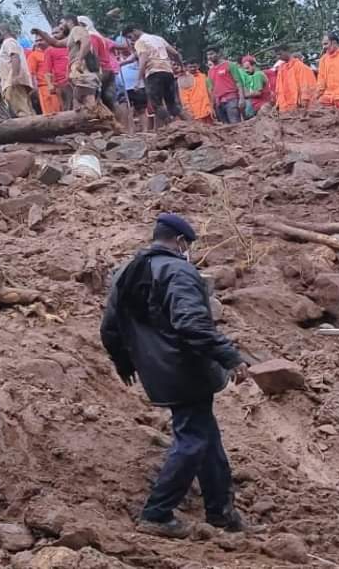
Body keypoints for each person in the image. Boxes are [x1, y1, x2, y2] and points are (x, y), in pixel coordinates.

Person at [100, 213, 249, 539]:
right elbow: (192, 325)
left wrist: (125, 363)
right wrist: (230, 357)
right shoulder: (178, 271)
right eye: (189, 245)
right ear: (181, 242)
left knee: (206, 436)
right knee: (193, 439)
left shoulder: (127, 271)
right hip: (184, 370)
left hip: (157, 370)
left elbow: (110, 326)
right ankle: (157, 513)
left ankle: (221, 513)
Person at [126, 26, 182, 126]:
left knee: (157, 104)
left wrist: (138, 81)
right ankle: (191, 124)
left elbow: (143, 60)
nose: (131, 40)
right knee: (172, 105)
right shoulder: (158, 38)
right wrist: (181, 66)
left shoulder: (140, 42)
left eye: (130, 37)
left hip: (154, 73)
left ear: (134, 31)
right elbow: (175, 53)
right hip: (168, 72)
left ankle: (171, 126)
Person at [0, 24, 35, 118]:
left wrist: (15, 77)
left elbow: (15, 57)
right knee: (26, 109)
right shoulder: (10, 43)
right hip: (12, 81)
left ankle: (30, 131)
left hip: (13, 82)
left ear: (2, 31)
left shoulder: (8, 42)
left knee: (22, 111)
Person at [206, 49, 246, 125]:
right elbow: (211, 89)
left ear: (219, 53)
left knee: (235, 125)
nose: (209, 57)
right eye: (208, 55)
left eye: (211, 54)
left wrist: (241, 98)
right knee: (225, 128)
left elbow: (238, 82)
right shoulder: (210, 71)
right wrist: (212, 107)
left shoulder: (230, 65)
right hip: (218, 103)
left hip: (231, 100)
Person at [272, 46, 317, 112]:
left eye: (280, 54)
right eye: (277, 55)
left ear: (287, 51)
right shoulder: (281, 69)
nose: (278, 57)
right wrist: (277, 103)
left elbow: (305, 85)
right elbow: (279, 88)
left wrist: (304, 100)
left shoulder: (300, 67)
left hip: (298, 106)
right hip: (285, 107)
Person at [28, 39, 60, 115]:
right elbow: (32, 73)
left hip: (59, 86)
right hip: (44, 88)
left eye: (41, 40)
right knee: (50, 114)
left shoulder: (54, 51)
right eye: (36, 41)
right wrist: (34, 89)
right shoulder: (33, 55)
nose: (39, 42)